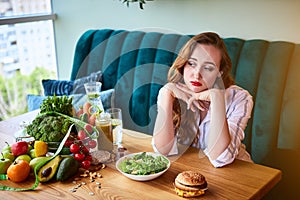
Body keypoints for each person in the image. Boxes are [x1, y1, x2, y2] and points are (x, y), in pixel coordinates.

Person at [152, 32, 253, 168]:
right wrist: (166, 94)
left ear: (219, 72)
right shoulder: (171, 92)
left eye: (208, 68)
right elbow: (163, 151)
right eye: (192, 63)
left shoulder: (239, 98)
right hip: (193, 173)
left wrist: (217, 98)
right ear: (183, 65)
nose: (197, 74)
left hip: (238, 176)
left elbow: (220, 158)